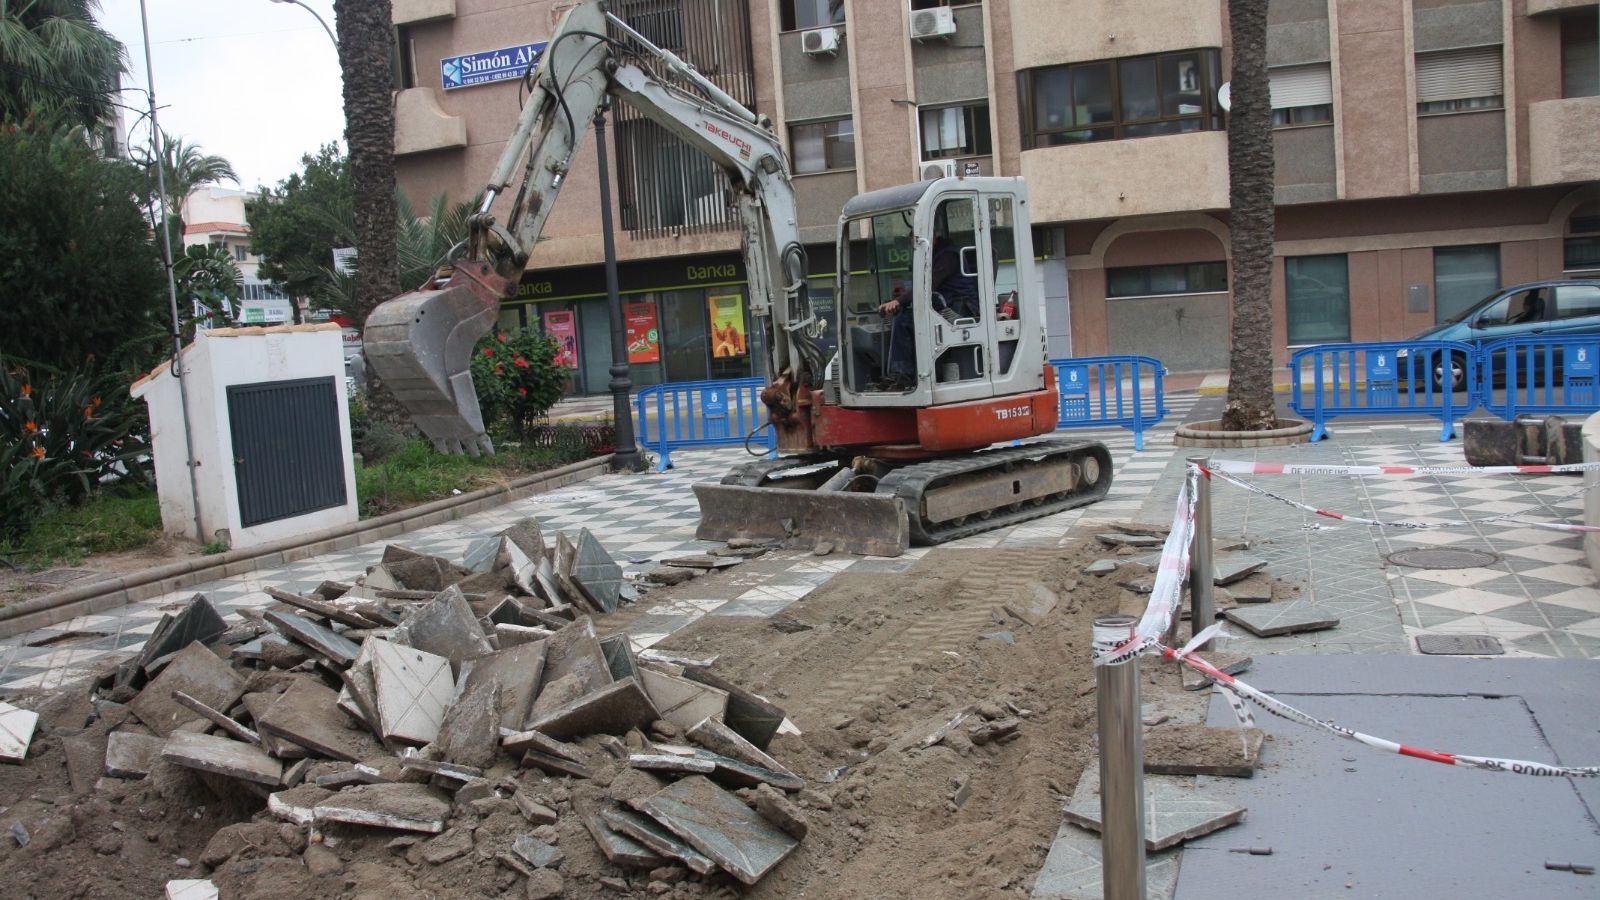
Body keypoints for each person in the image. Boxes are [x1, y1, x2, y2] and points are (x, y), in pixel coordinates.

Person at [874, 235, 979, 391]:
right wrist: (900, 301)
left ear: (931, 237)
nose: (912, 244)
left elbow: (927, 285)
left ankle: (903, 373)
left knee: (903, 320)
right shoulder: (934, 256)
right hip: (945, 304)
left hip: (960, 309)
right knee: (905, 316)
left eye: (915, 240)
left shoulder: (948, 256)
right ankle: (900, 374)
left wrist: (898, 302)